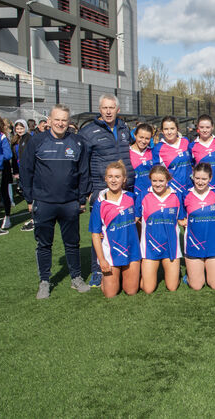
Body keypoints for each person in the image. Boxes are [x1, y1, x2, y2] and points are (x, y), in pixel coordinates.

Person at [19, 104, 91, 298]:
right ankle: (44, 281)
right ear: (49, 120)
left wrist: (81, 199)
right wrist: (29, 198)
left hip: (69, 203)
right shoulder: (37, 141)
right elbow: (26, 171)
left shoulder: (77, 142)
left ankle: (76, 277)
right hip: (44, 202)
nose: (60, 123)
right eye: (57, 119)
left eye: (64, 120)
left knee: (72, 243)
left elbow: (84, 172)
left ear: (69, 122)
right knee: (44, 244)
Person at [79, 94, 134, 287]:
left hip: (125, 187)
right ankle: (96, 269)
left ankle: (125, 264)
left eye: (112, 108)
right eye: (104, 108)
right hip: (101, 188)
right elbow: (82, 164)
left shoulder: (124, 128)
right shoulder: (88, 132)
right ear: (99, 110)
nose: (108, 111)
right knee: (100, 232)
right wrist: (87, 191)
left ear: (118, 110)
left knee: (125, 227)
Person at [89, 161, 141, 298]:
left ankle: (127, 275)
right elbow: (95, 235)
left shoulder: (131, 198)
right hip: (111, 254)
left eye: (117, 177)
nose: (113, 180)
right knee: (110, 294)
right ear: (105, 178)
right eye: (110, 176)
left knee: (131, 291)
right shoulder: (100, 203)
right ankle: (106, 280)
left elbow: (139, 220)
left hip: (132, 251)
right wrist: (101, 260)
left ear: (124, 179)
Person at [136, 165, 184, 294]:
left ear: (167, 179)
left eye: (161, 181)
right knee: (148, 289)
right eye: (154, 181)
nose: (157, 184)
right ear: (150, 180)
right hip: (149, 247)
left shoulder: (176, 195)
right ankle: (140, 275)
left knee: (172, 287)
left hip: (171, 246)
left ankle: (177, 272)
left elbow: (181, 220)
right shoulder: (143, 195)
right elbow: (134, 219)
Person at [182, 162, 215, 290]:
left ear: (210, 178)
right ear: (193, 177)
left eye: (204, 179)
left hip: (214, 244)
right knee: (196, 286)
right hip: (193, 244)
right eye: (197, 178)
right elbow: (181, 218)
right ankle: (190, 275)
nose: (200, 182)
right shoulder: (185, 195)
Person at [151, 116, 192, 198]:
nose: (169, 132)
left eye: (172, 128)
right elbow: (156, 173)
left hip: (190, 189)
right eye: (166, 129)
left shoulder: (185, 141)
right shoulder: (158, 149)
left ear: (177, 129)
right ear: (162, 131)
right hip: (172, 192)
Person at [189, 114, 215, 197]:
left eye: (207, 127)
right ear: (198, 128)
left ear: (212, 127)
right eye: (202, 127)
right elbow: (192, 166)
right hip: (203, 188)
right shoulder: (192, 146)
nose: (204, 130)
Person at [11, 119, 34, 231]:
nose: (19, 130)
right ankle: (34, 217)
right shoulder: (15, 139)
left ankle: (35, 218)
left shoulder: (29, 138)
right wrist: (16, 171)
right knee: (25, 192)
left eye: (21, 128)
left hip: (28, 169)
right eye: (17, 128)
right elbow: (14, 157)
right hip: (20, 169)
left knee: (30, 193)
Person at [129, 123, 154, 201]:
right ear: (135, 135)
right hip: (133, 195)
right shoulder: (127, 153)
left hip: (150, 195)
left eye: (147, 138)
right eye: (141, 137)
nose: (143, 141)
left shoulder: (153, 152)